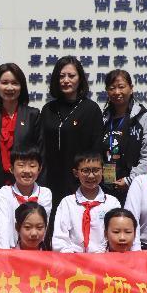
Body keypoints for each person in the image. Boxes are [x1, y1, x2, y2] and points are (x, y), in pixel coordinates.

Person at [39, 55, 103, 204]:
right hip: (49, 182)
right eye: (61, 76)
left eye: (71, 76)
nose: (66, 80)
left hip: (80, 182)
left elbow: (96, 148)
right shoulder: (48, 109)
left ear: (80, 79)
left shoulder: (91, 109)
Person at [0, 63, 40, 198]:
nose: (9, 87)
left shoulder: (32, 115)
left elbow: (40, 153)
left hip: (25, 185)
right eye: (4, 83)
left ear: (22, 87)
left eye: (15, 83)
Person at [100, 70, 147, 205]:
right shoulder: (103, 118)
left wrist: (130, 180)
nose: (117, 92)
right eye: (112, 88)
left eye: (121, 87)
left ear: (131, 88)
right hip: (105, 186)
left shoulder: (144, 119)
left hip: (134, 187)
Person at [51, 152, 125, 253]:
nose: (91, 176)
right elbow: (59, 238)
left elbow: (116, 234)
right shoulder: (67, 203)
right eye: (85, 171)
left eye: (96, 170)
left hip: (104, 258)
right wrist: (73, 256)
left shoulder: (112, 203)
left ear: (103, 171)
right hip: (73, 258)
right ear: (76, 173)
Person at [0, 147, 52, 249]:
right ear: (11, 169)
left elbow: (42, 227)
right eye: (21, 165)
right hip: (9, 250)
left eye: (32, 166)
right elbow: (2, 228)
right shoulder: (5, 193)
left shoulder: (45, 193)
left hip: (36, 250)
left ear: (39, 169)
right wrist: (5, 253)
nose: (27, 170)